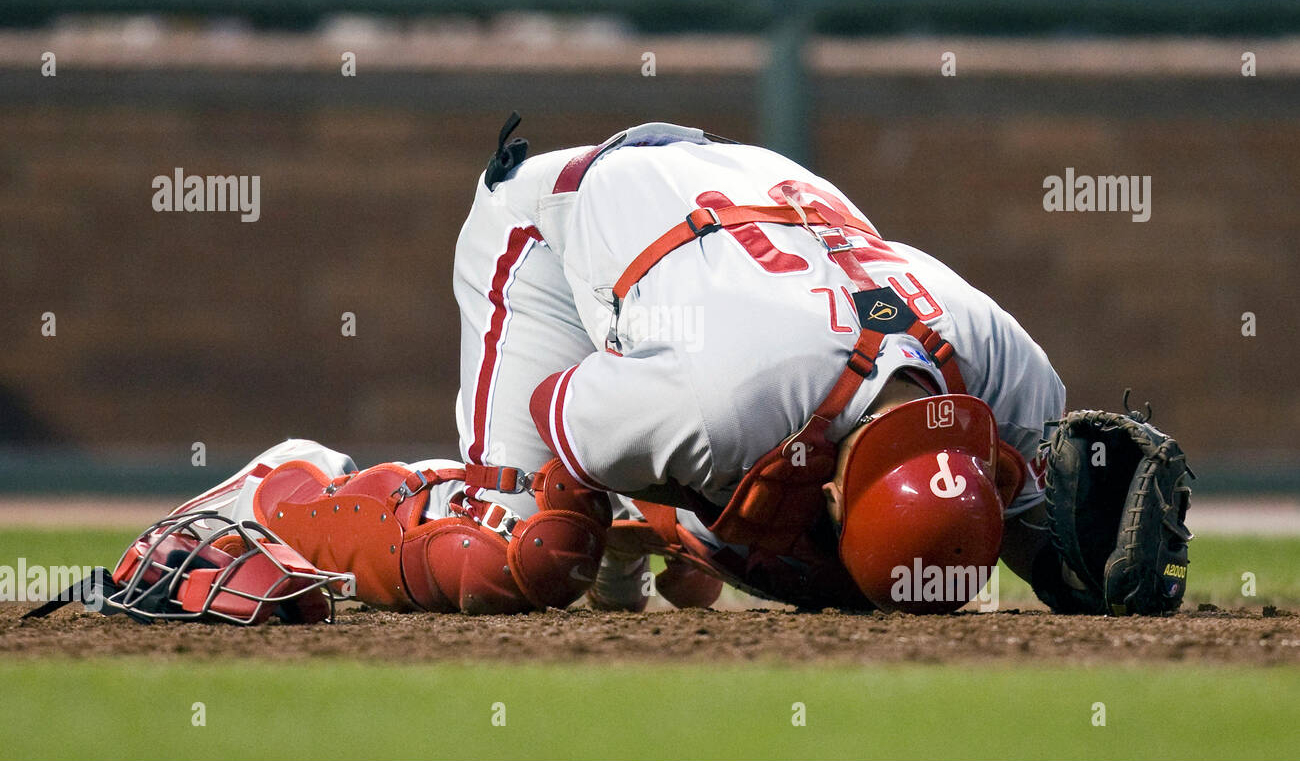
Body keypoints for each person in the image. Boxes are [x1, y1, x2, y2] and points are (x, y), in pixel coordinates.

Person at [173, 115, 1126, 617]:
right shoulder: (726, 401)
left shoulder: (1015, 376)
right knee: (524, 550)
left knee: (709, 491)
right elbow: (562, 414)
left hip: (729, 210)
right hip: (552, 232)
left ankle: (650, 522)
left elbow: (1044, 520)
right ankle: (278, 490)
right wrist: (656, 500)